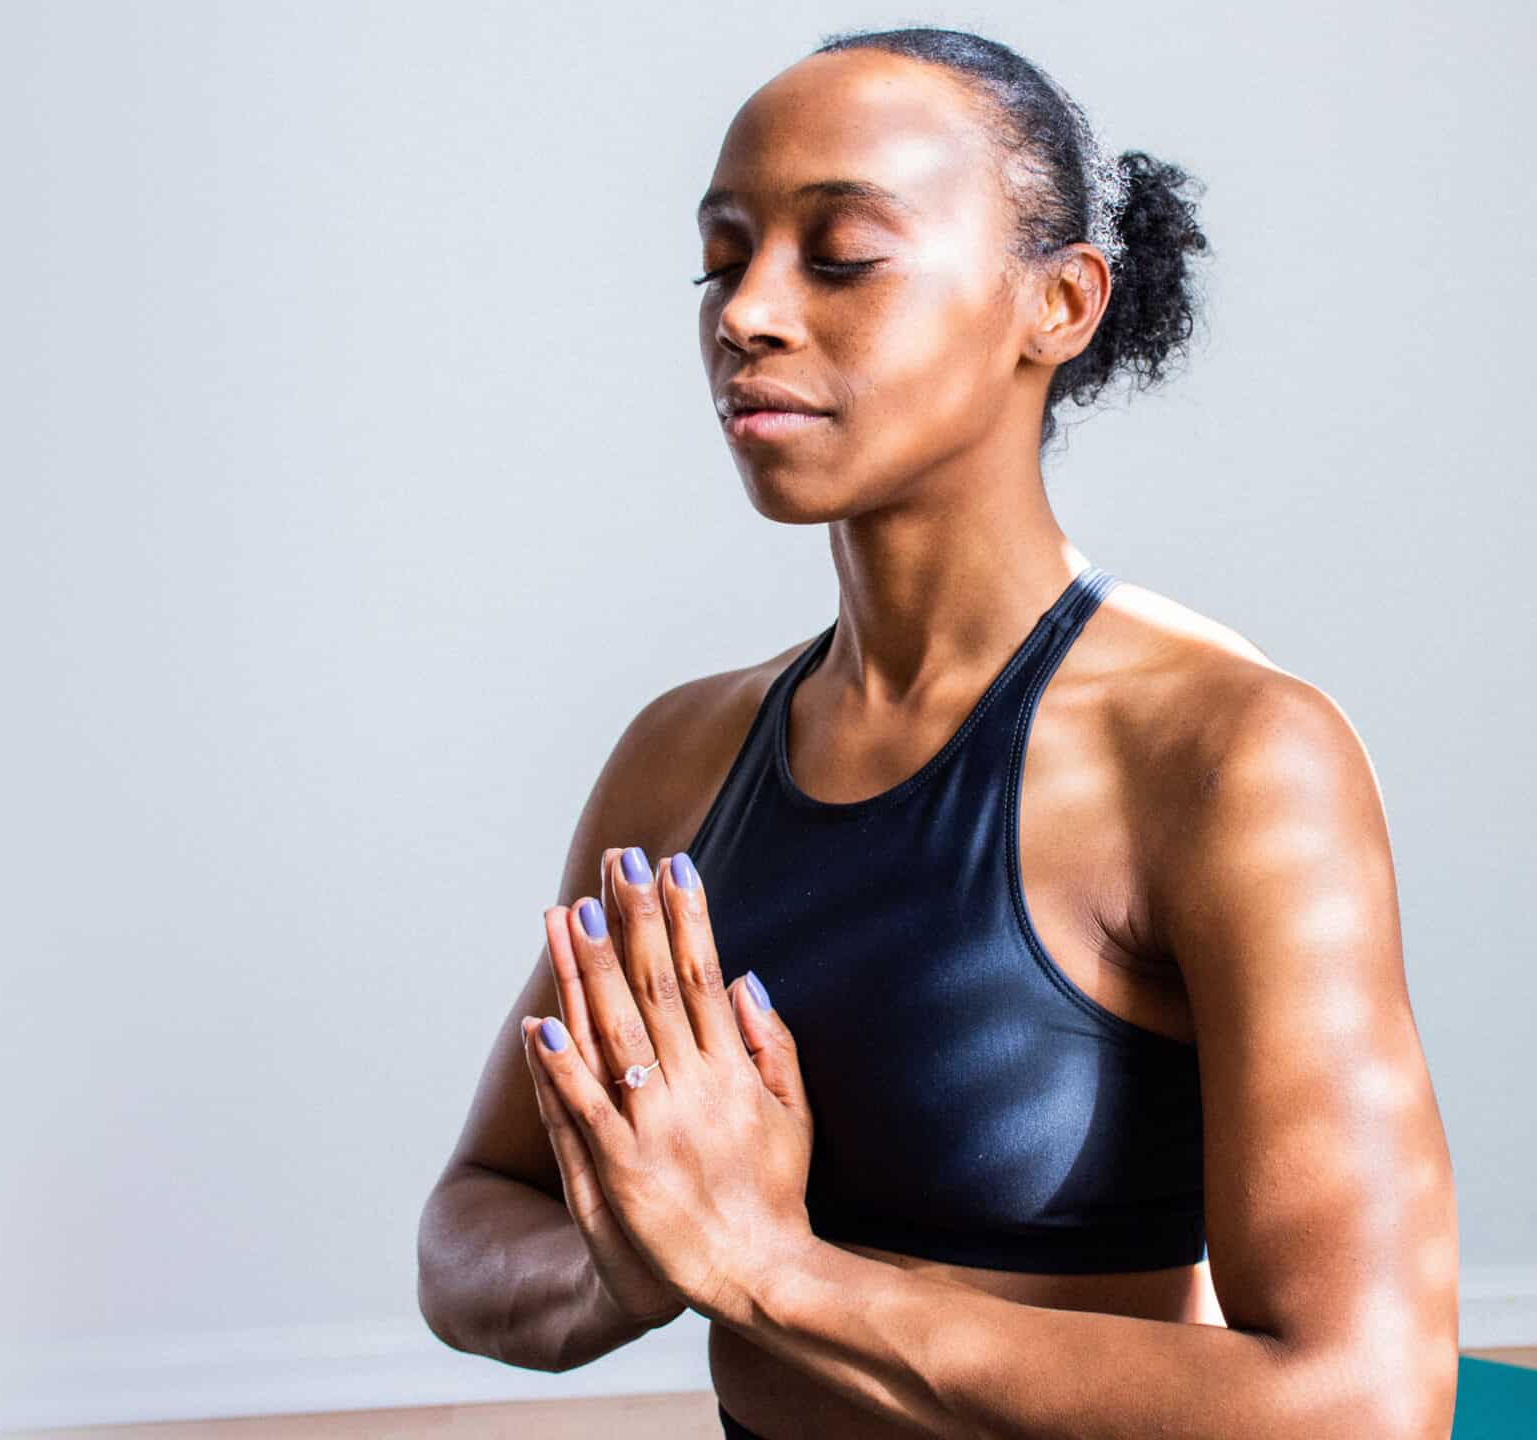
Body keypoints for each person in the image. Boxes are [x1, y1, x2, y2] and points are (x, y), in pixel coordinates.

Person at [414, 26, 1459, 1438]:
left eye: (838, 253)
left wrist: (771, 1276)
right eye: (722, 259)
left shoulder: (1229, 754)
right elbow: (473, 1225)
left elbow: (1360, 1401)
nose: (749, 312)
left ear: (1060, 304)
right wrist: (628, 1261)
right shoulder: (680, 754)